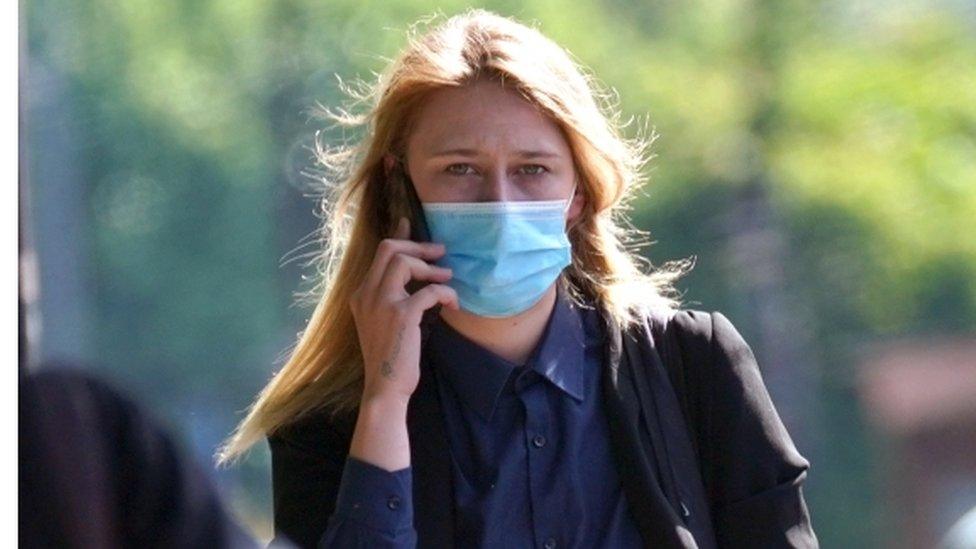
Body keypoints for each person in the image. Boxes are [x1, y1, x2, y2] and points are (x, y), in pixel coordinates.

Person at [215, 8, 818, 549]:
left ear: (579, 193)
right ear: (403, 185)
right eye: (460, 169)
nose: (499, 202)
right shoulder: (329, 421)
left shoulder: (693, 367)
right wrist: (384, 404)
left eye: (533, 169)